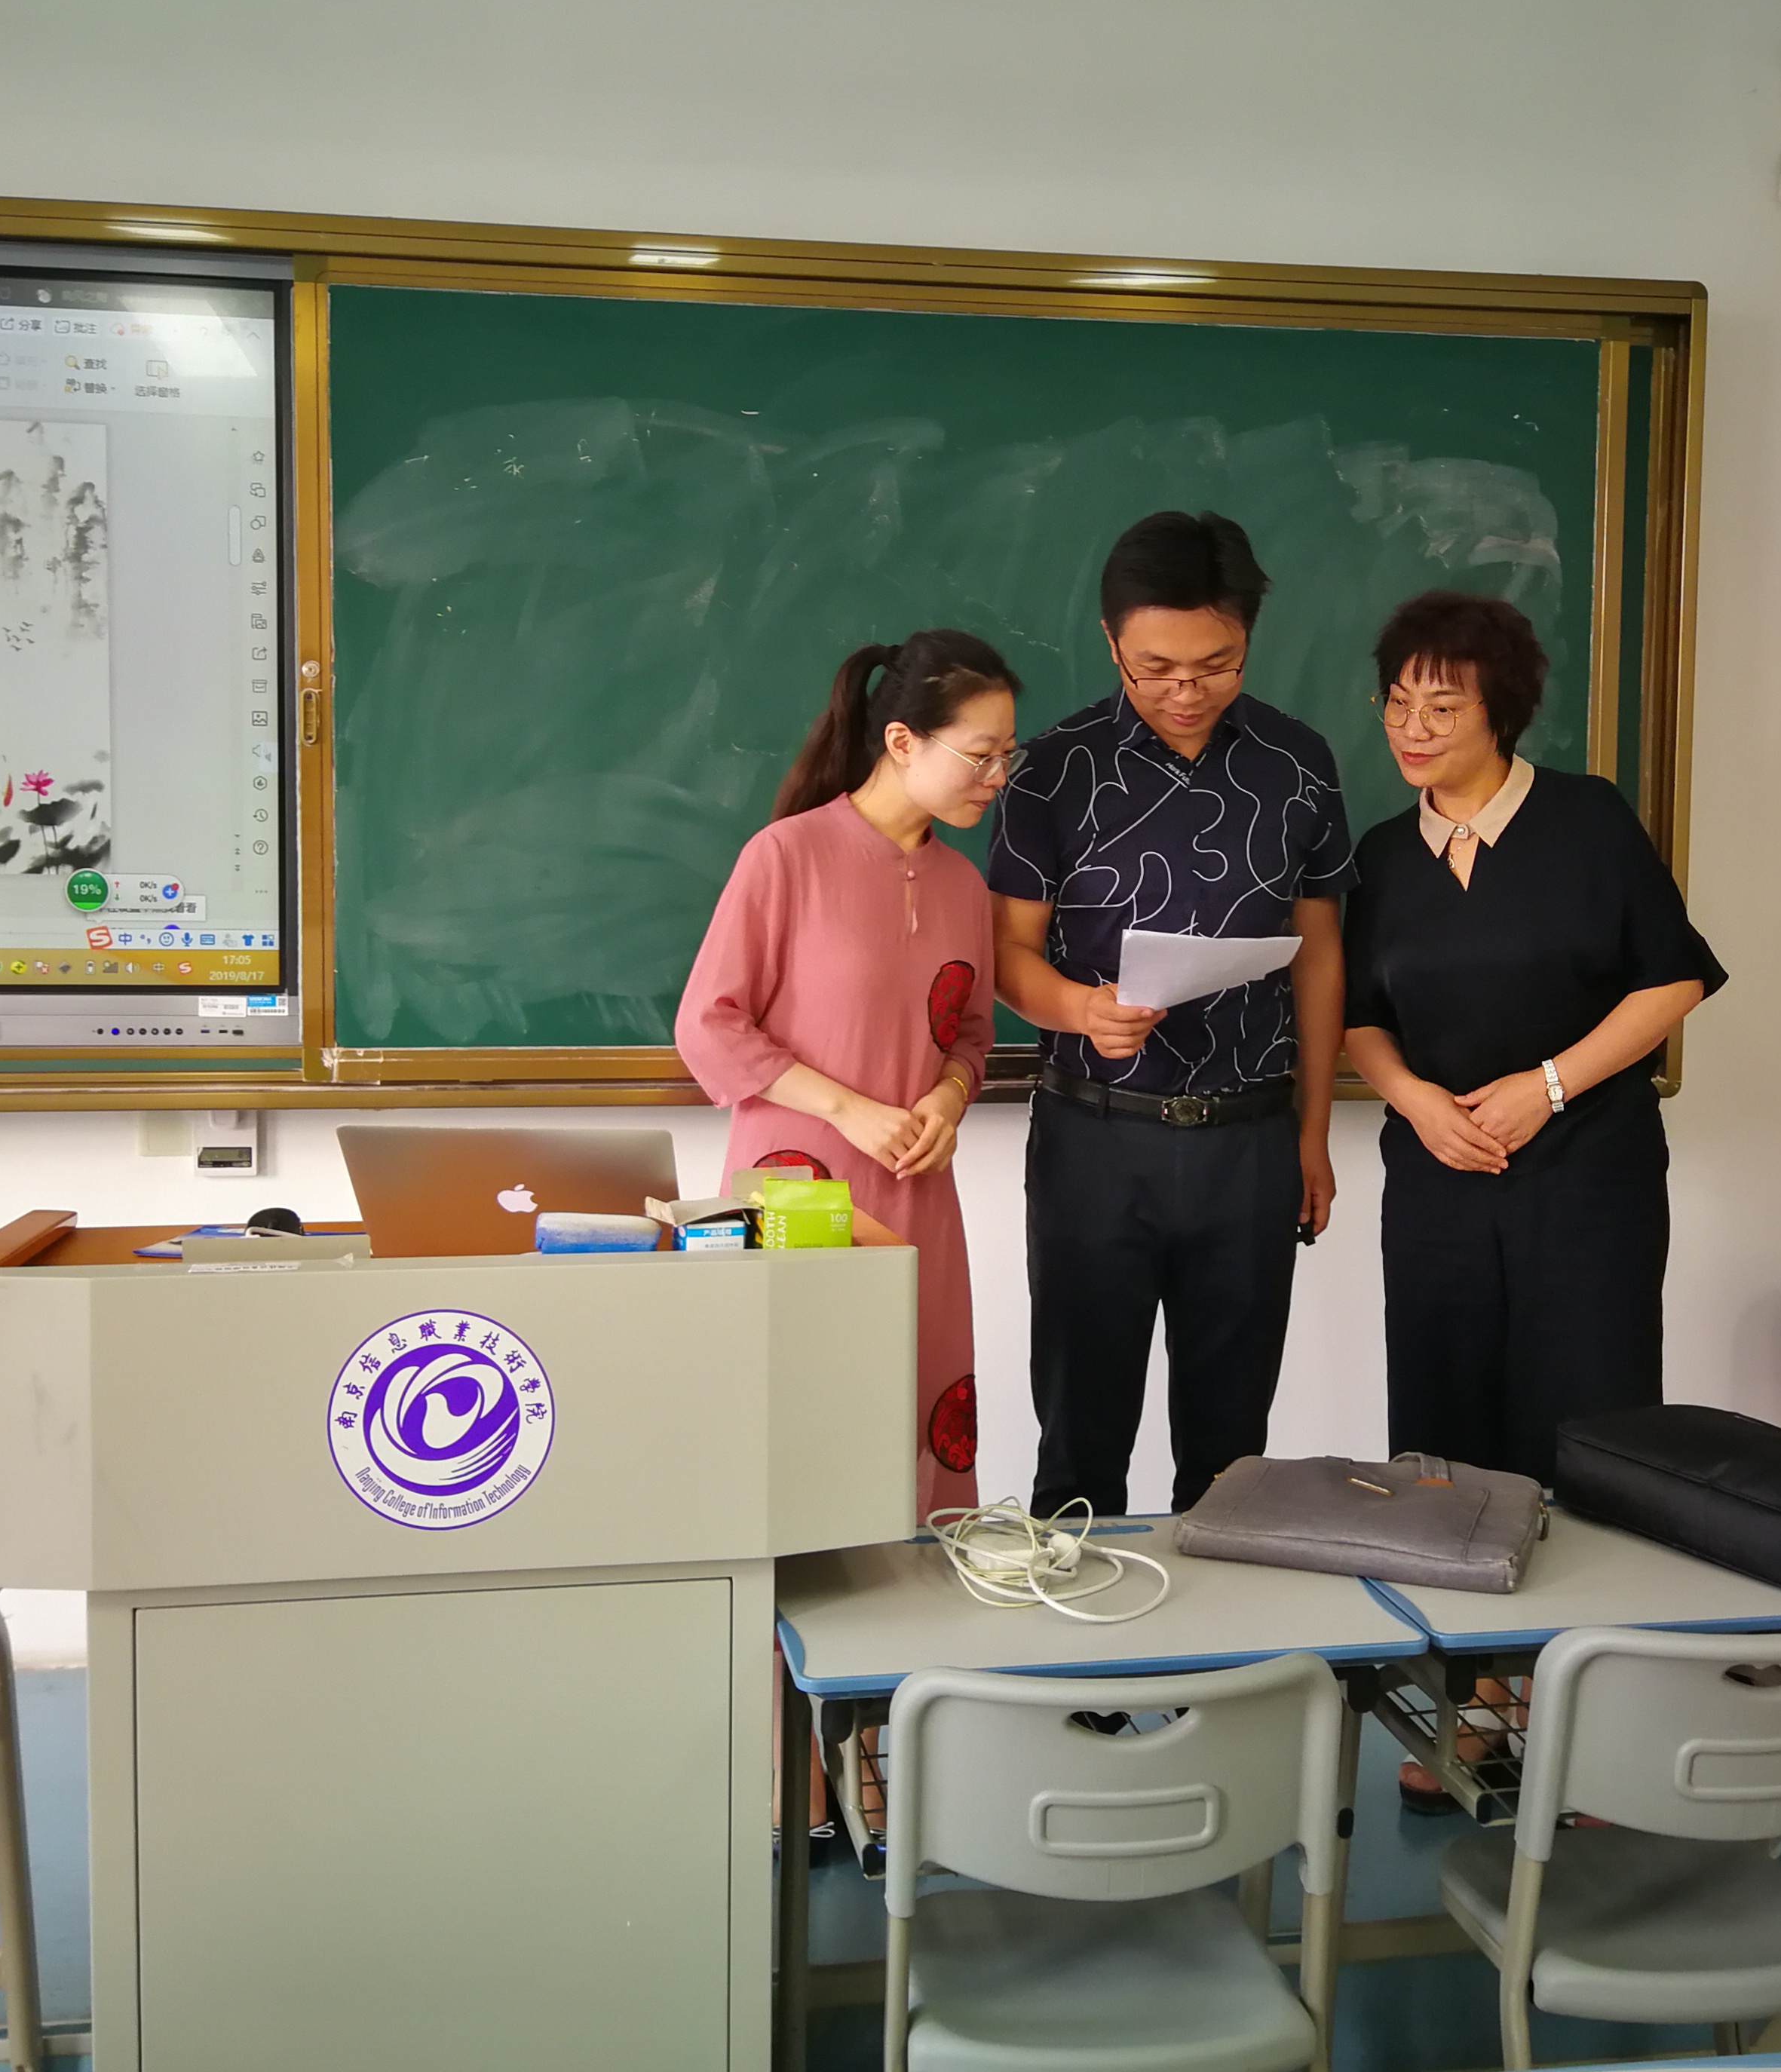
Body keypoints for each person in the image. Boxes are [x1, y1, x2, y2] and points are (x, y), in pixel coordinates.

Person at [989, 511, 1356, 1520]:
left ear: (1248, 640)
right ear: (1111, 642)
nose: (1185, 691)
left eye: (1215, 666)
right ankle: (1080, 1627)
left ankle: (1224, 1626)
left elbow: (1321, 956)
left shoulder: (1297, 762)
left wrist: (1313, 1134)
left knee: (1232, 1459)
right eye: (1155, 669)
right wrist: (1080, 1008)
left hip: (1250, 1138)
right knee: (1080, 1442)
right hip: (1093, 1138)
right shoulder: (1051, 770)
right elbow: (1006, 955)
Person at [1342, 588, 1724, 1488]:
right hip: (1438, 1178)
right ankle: (1456, 1582)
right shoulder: (1384, 855)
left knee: (1591, 1418)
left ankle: (1591, 1588)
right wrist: (1416, 1103)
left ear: (1499, 712)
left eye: (1442, 707)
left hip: (1587, 1172)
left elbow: (1672, 979)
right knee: (1441, 1428)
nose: (1412, 727)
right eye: (1397, 702)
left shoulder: (1586, 819)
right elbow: (1359, 1019)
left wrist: (1545, 1087)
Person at [676, 629, 1019, 1521]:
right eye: (980, 755)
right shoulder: (784, 856)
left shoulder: (963, 887)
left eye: (1005, 757)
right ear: (902, 741)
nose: (996, 777)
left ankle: (917, 1604)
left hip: (917, 1191)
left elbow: (970, 1034)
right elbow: (708, 1025)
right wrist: (848, 1109)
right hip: (796, 1190)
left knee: (918, 1405)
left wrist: (948, 1097)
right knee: (798, 1417)